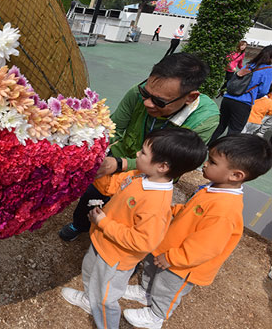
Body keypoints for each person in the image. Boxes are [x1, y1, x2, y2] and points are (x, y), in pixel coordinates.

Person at [59, 53, 219, 242]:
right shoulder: (137, 93)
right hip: (120, 157)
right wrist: (98, 152)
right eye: (146, 93)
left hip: (155, 175)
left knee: (131, 211)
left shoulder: (204, 120)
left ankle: (113, 240)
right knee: (93, 193)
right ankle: (80, 224)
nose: (147, 103)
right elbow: (114, 129)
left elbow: (174, 162)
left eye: (159, 101)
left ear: (190, 97)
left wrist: (121, 164)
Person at [61, 128, 208, 329]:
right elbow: (115, 184)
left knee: (105, 297)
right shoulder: (142, 175)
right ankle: (88, 299)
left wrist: (104, 223)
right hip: (103, 242)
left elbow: (143, 241)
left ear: (163, 166)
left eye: (144, 153)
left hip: (116, 257)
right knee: (90, 272)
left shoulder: (155, 204)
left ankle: (106, 324)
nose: (137, 154)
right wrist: (92, 173)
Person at [122, 134, 272, 329]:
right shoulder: (214, 188)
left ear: (235, 175)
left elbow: (206, 246)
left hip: (183, 263)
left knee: (167, 287)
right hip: (170, 246)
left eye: (212, 162)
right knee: (151, 269)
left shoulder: (225, 209)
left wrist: (173, 258)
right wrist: (175, 211)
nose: (205, 164)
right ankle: (145, 291)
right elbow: (191, 213)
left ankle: (156, 315)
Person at [209, 45, 272, 144]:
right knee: (234, 132)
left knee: (220, 125)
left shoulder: (249, 65)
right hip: (243, 103)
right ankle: (224, 152)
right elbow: (264, 91)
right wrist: (254, 95)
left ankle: (208, 145)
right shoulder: (269, 70)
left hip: (228, 98)